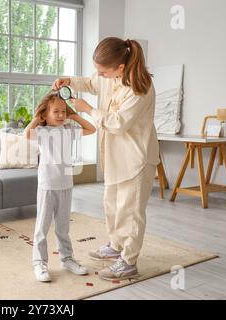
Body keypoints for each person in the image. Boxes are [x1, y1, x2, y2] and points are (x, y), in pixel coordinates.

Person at [53, 37, 160, 280]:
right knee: (111, 204)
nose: (99, 75)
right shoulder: (109, 77)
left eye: (103, 71)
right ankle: (115, 246)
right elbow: (91, 83)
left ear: (120, 68)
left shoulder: (139, 88)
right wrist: (69, 80)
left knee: (130, 211)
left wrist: (87, 109)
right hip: (114, 156)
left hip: (136, 158)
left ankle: (129, 261)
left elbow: (118, 123)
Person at [24, 90, 96, 282]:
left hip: (66, 185)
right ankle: (39, 262)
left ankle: (67, 258)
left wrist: (74, 115)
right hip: (47, 185)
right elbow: (26, 134)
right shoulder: (41, 132)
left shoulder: (69, 130)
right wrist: (37, 117)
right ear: (45, 114)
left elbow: (92, 129)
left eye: (64, 111)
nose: (61, 115)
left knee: (63, 227)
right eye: (56, 111)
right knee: (42, 227)